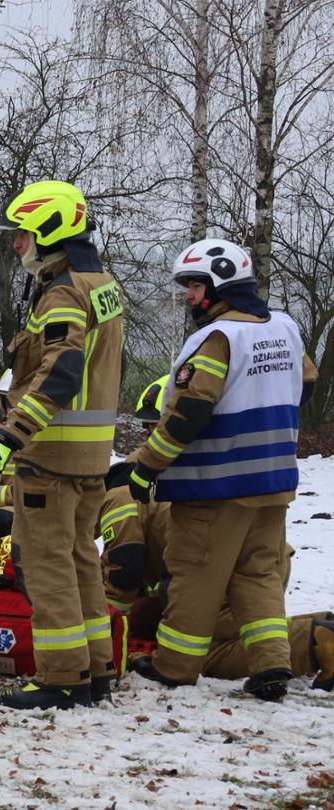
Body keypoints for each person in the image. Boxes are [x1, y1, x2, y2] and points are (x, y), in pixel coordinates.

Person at [120, 238, 305, 701]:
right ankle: (272, 664)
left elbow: (187, 415)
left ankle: (175, 665)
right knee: (258, 572)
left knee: (196, 573)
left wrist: (145, 465)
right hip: (273, 483)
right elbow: (304, 378)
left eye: (195, 287)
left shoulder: (217, 338)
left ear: (221, 285)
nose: (189, 297)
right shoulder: (284, 327)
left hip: (215, 487)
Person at [0, 180, 124, 710]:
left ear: (50, 231)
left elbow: (60, 370)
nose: (16, 244)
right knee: (83, 560)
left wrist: (11, 435)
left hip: (52, 457)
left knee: (47, 565)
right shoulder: (101, 283)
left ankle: (63, 676)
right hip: (90, 456)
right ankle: (97, 668)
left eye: (22, 235)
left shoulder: (62, 292)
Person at [97, 463, 334, 691]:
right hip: (266, 559)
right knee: (258, 631)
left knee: (211, 654)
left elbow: (124, 570)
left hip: (220, 568)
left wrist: (108, 623)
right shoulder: (162, 493)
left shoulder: (117, 497)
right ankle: (323, 624)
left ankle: (316, 642)